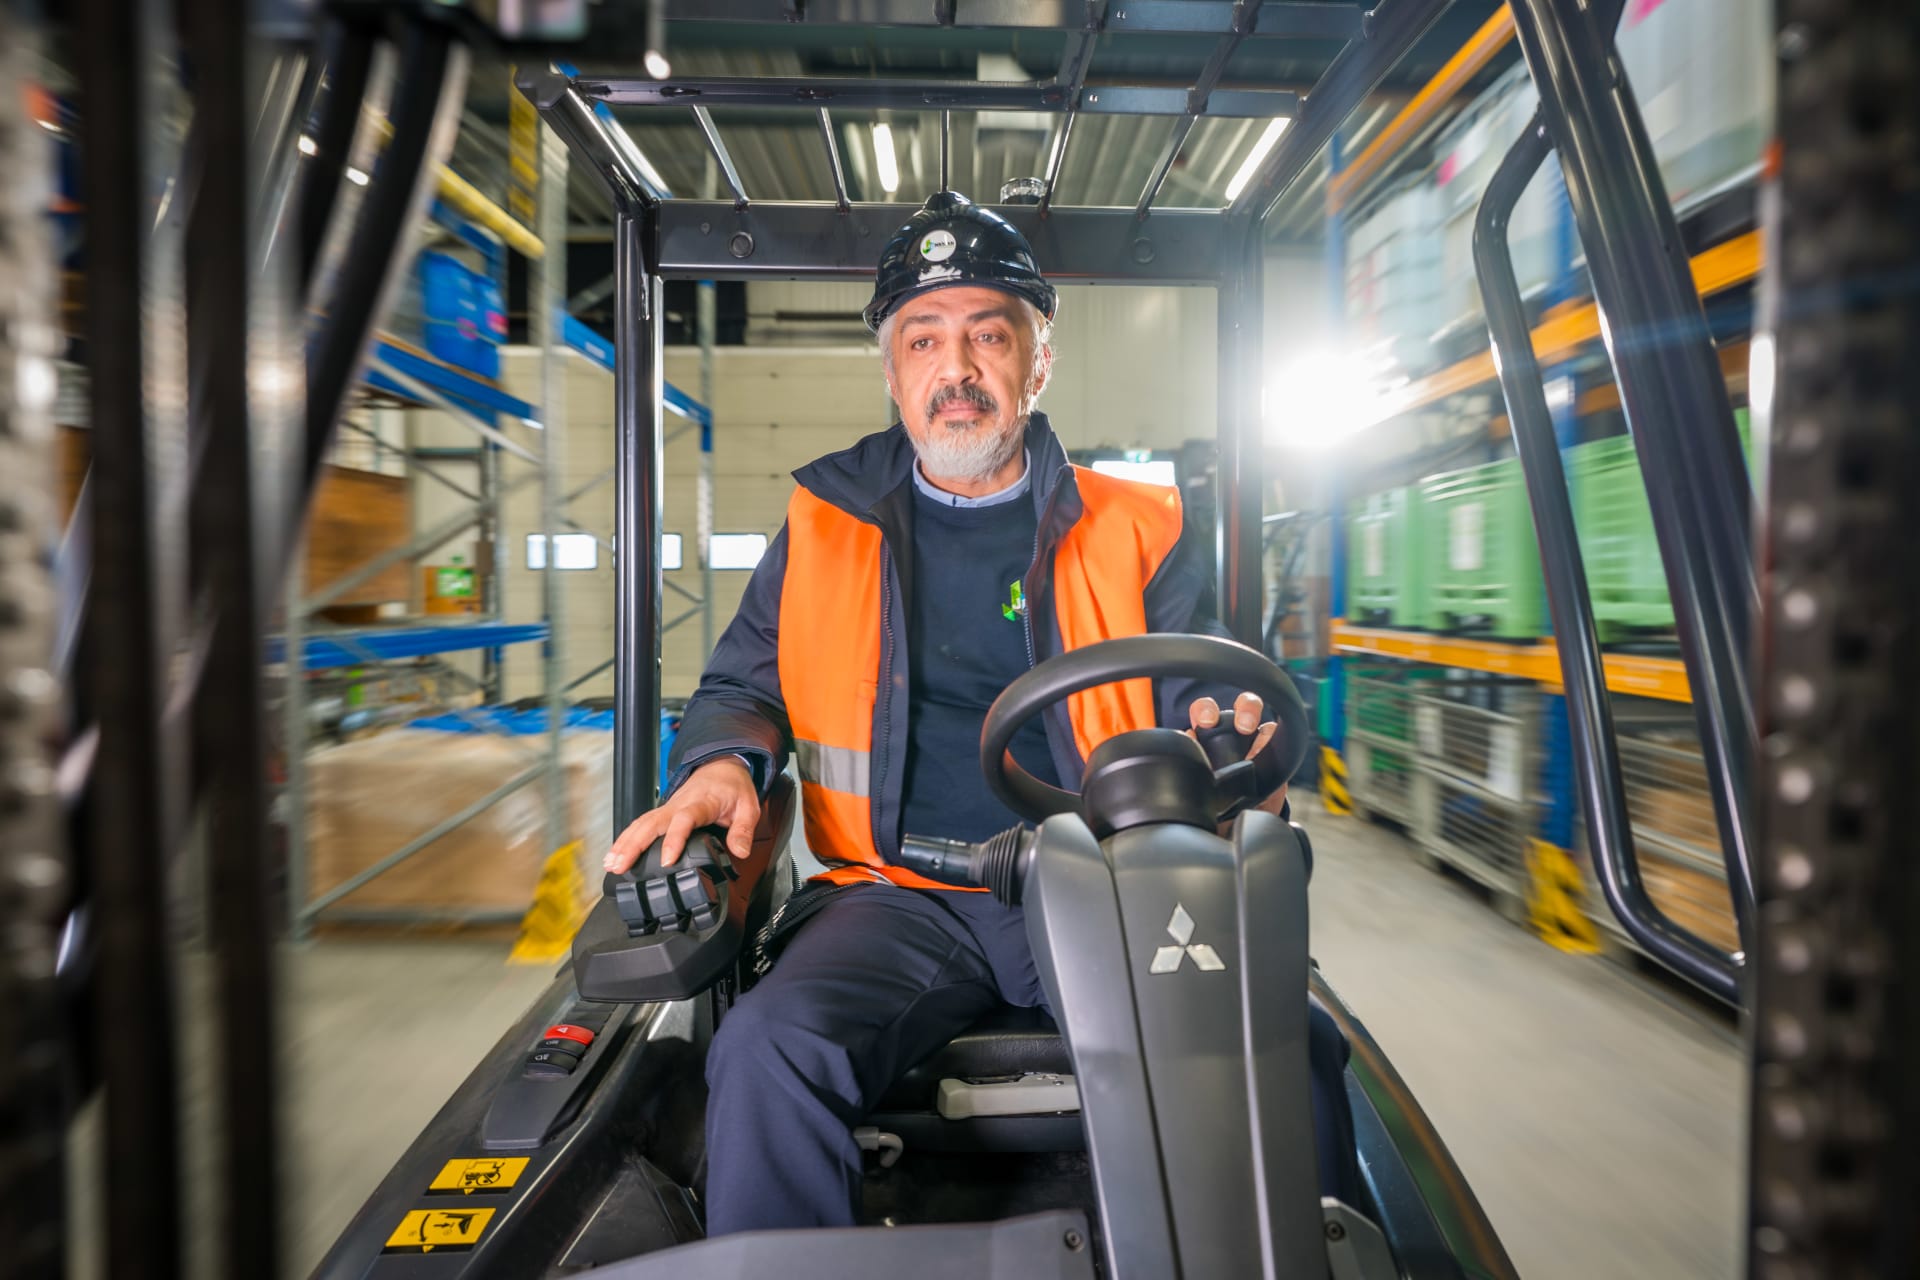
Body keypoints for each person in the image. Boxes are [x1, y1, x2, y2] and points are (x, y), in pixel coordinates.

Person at [606, 191, 1356, 1234]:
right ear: (892, 370)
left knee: (1278, 1038)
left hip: (1099, 876)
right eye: (923, 338)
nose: (954, 369)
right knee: (767, 1048)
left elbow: (1201, 684)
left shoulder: (1135, 525)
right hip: (892, 892)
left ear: (1038, 362)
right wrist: (723, 764)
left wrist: (1226, 743)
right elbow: (743, 684)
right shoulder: (825, 522)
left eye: (988, 336)